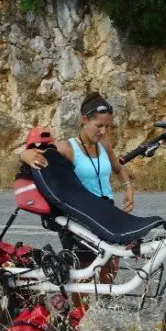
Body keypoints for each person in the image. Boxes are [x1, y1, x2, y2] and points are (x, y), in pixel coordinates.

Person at [18, 92, 135, 286]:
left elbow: (118, 168)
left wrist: (128, 189)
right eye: (99, 126)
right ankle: (80, 315)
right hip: (81, 217)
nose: (104, 131)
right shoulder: (67, 148)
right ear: (84, 120)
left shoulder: (103, 144)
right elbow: (33, 151)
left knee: (110, 266)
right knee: (83, 273)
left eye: (107, 126)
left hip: (107, 211)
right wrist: (24, 155)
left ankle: (101, 310)